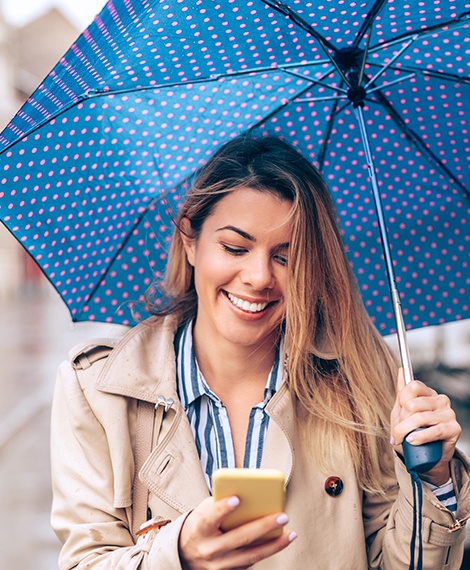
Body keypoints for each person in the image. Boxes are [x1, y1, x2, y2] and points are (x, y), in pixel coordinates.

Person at [51, 134, 469, 569]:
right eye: (235, 247)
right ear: (190, 239)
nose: (258, 277)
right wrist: (180, 553)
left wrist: (433, 481)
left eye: (286, 257)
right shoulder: (99, 390)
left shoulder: (362, 376)